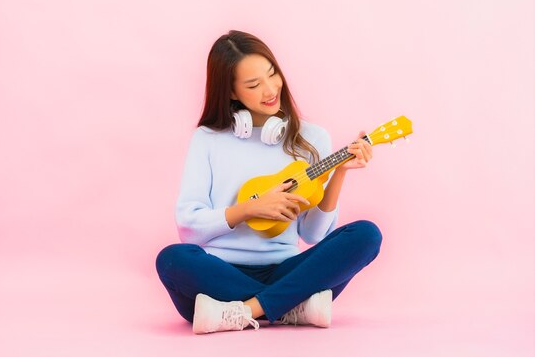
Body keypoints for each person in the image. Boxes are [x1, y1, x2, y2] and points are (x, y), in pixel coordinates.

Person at [155, 30, 383, 334]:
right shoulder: (207, 139)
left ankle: (244, 311)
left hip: (288, 270)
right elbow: (188, 226)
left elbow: (313, 235)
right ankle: (292, 307)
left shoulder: (312, 139)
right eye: (253, 84)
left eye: (272, 74)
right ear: (232, 92)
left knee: (366, 235)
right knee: (173, 258)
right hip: (219, 272)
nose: (270, 89)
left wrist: (339, 172)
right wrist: (249, 209)